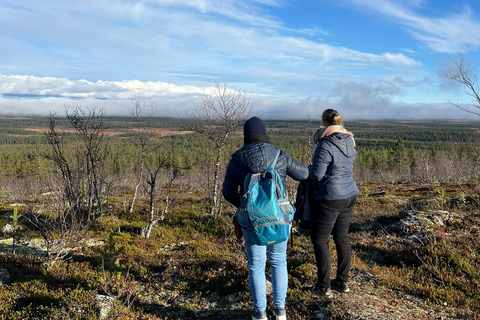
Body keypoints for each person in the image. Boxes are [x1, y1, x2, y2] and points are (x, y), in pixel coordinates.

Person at [222, 116, 308, 320]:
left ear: (246, 135)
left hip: (252, 223)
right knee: (279, 262)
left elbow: (227, 193)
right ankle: (280, 311)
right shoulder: (279, 155)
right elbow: (304, 174)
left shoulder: (237, 159)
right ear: (264, 133)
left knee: (256, 265)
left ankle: (259, 312)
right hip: (280, 219)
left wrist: (247, 208)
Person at [309, 109, 358, 298]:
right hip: (350, 193)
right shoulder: (350, 140)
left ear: (323, 123)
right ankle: (342, 282)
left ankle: (323, 287)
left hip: (330, 196)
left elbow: (317, 175)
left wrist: (305, 170)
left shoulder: (325, 144)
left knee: (320, 240)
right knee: (341, 238)